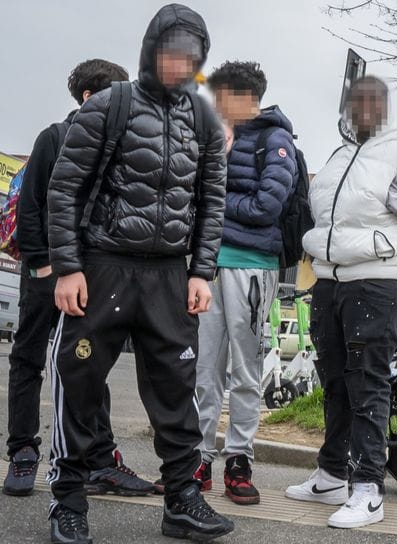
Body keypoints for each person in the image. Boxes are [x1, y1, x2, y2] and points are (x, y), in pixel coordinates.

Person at [45, 4, 234, 542]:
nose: (182, 63)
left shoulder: (202, 118)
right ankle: (68, 500)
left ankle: (182, 500)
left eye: (192, 56)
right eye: (174, 51)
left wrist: (202, 273)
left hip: (170, 277)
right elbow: (64, 188)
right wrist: (67, 267)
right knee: (79, 383)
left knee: (176, 391)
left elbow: (211, 202)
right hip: (102, 268)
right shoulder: (110, 104)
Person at [286, 76, 397, 529]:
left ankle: (369, 489)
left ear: (386, 107)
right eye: (356, 102)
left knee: (368, 383)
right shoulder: (338, 156)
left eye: (373, 102)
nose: (363, 110)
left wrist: (394, 200)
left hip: (380, 281)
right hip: (329, 280)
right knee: (334, 380)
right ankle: (332, 474)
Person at [3, 60, 154, 499]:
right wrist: (44, 267)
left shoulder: (118, 146)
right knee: (29, 359)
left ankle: (99, 460)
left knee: (89, 368)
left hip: (92, 276)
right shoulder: (54, 137)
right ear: (89, 97)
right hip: (47, 273)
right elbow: (32, 208)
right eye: (114, 96)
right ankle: (23, 453)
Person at [192, 60, 296, 506]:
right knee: (203, 369)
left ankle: (239, 459)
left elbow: (266, 206)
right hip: (207, 268)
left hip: (252, 268)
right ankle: (197, 458)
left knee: (245, 371)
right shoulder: (212, 136)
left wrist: (214, 198)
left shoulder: (276, 140)